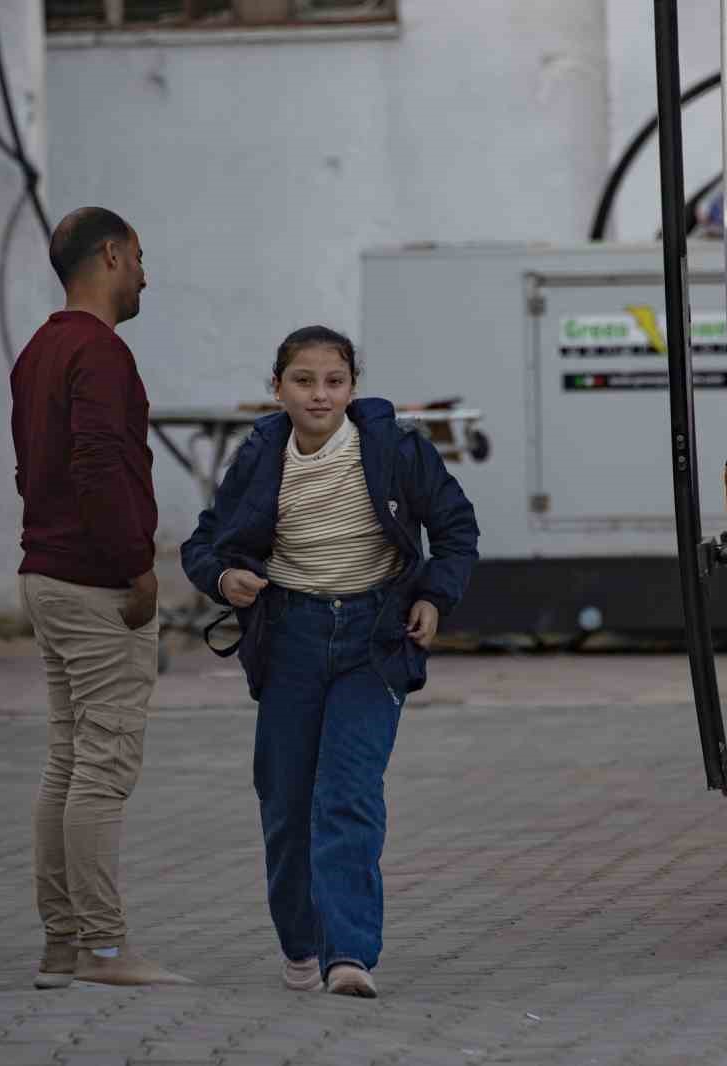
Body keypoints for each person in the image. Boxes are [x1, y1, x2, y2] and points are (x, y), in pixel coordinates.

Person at [182, 326, 479, 998]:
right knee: (286, 802)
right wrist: (225, 580)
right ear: (278, 388)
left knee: (347, 793)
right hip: (290, 637)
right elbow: (205, 542)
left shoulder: (396, 450)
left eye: (335, 381)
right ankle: (301, 944)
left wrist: (435, 595)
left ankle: (348, 955)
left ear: (352, 387)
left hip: (373, 642)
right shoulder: (261, 455)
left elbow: (457, 529)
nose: (320, 394)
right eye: (303, 381)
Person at [11, 206, 185, 988]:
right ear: (110, 256)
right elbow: (98, 464)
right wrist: (137, 566)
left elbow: (32, 468)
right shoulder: (100, 352)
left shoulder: (38, 350)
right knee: (103, 770)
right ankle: (105, 949)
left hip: (44, 574)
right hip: (93, 584)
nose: (148, 275)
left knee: (69, 762)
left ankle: (63, 946)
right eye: (141, 258)